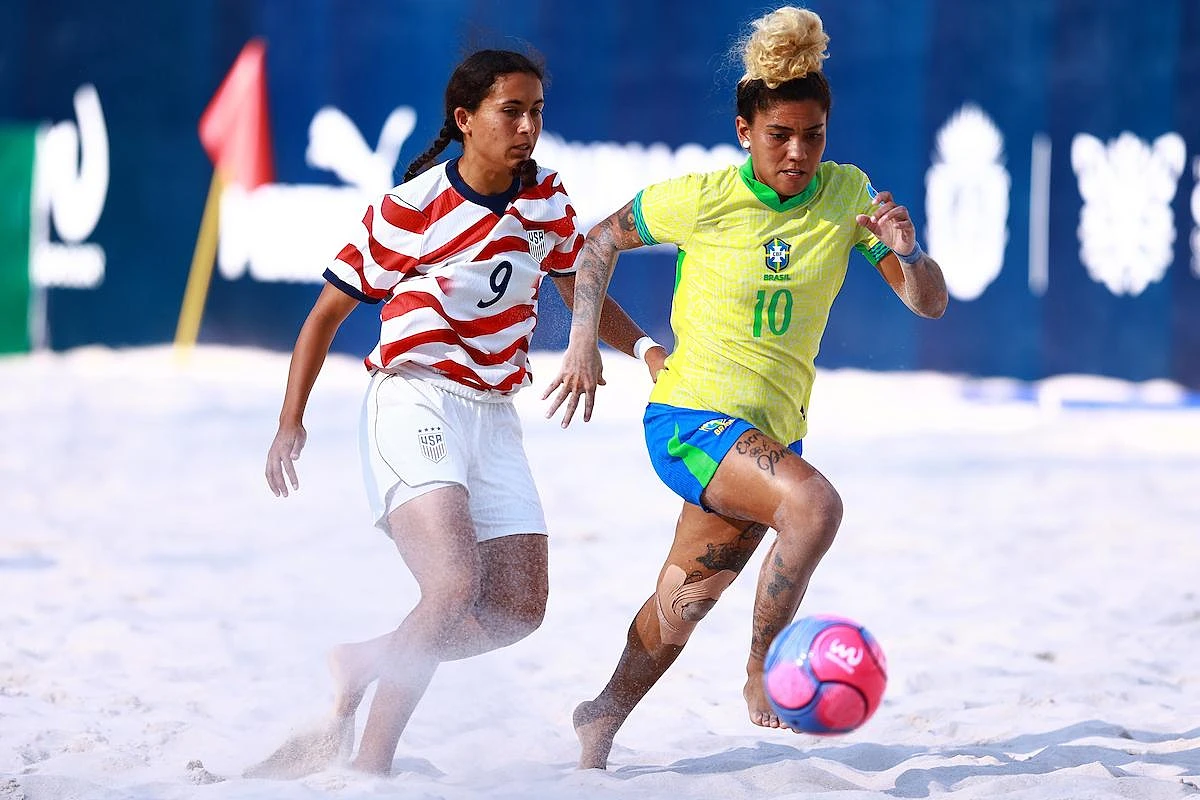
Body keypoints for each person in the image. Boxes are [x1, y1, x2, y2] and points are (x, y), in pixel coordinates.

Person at [543, 6, 948, 770]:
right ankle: (765, 668)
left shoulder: (848, 194)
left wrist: (910, 251)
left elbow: (927, 304)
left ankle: (600, 717)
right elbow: (594, 243)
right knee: (815, 505)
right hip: (690, 418)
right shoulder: (702, 197)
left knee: (684, 602)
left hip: (767, 432)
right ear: (744, 131)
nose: (798, 153)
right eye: (779, 136)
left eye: (813, 136)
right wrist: (589, 343)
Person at [253, 48, 656, 778]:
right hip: (414, 398)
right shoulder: (411, 207)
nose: (528, 126)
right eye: (512, 111)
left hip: (495, 415)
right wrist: (291, 420)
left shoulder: (547, 201)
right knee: (449, 590)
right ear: (466, 119)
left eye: (537, 112)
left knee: (519, 610)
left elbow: (582, 294)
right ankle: (369, 767)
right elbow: (324, 316)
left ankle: (366, 659)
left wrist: (647, 350)